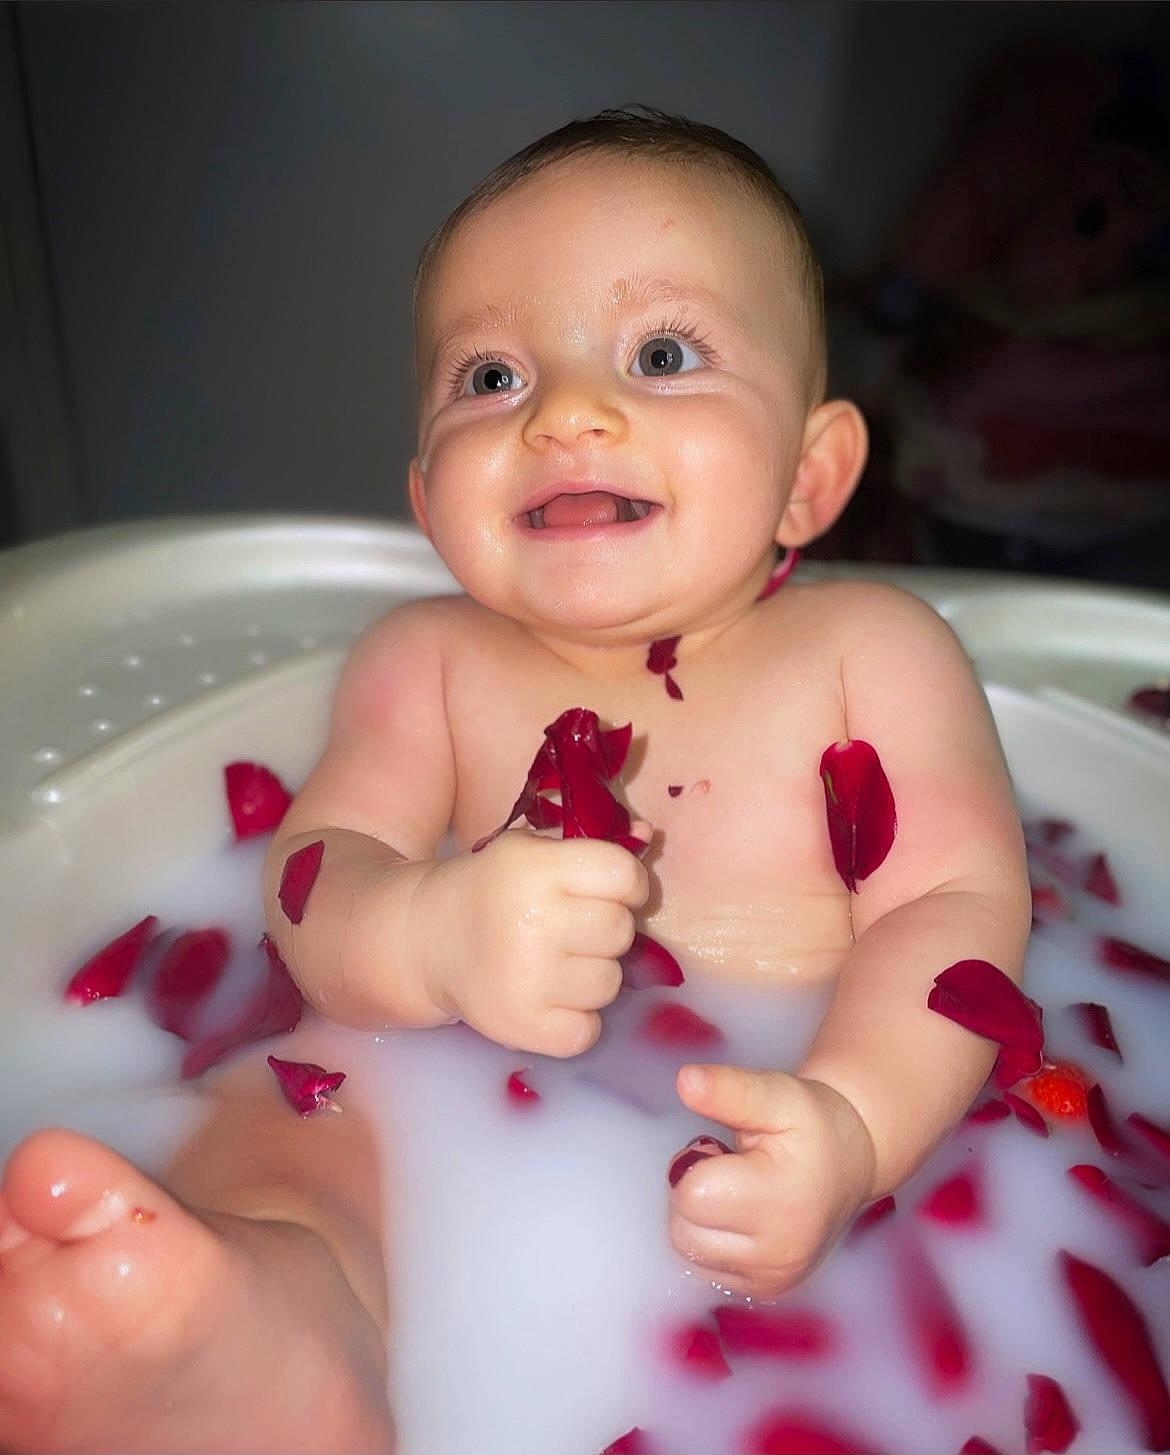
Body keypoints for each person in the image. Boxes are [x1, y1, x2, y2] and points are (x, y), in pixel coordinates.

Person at [0, 108, 1031, 1453]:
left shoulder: (868, 653)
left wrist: (854, 1124)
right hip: (441, 1104)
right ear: (428, 503)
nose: (565, 412)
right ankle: (273, 1330)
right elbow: (318, 877)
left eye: (660, 355)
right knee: (288, 1133)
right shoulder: (425, 661)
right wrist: (427, 933)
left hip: (791, 1124)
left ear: (808, 475)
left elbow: (950, 910)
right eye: (488, 378)